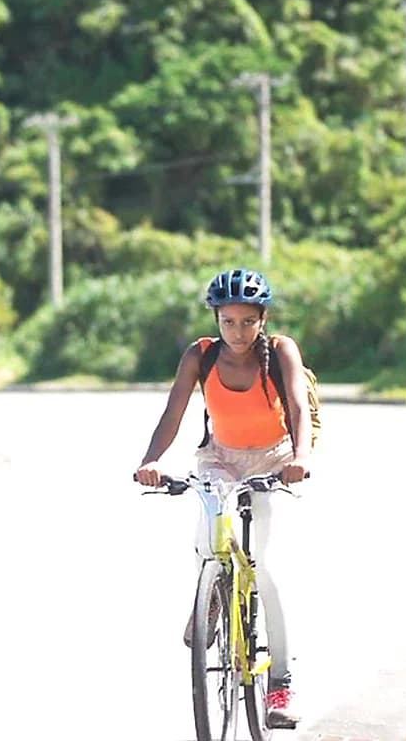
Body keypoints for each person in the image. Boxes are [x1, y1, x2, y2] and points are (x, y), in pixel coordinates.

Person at [134, 267, 312, 730]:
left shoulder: (281, 351)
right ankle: (211, 597)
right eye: (228, 321)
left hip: (274, 458)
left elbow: (297, 406)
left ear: (263, 319)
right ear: (216, 319)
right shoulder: (201, 355)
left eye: (248, 321)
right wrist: (151, 460)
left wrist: (300, 457)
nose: (237, 331)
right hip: (220, 457)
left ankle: (280, 684)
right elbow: (173, 412)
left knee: (263, 564)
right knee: (208, 535)